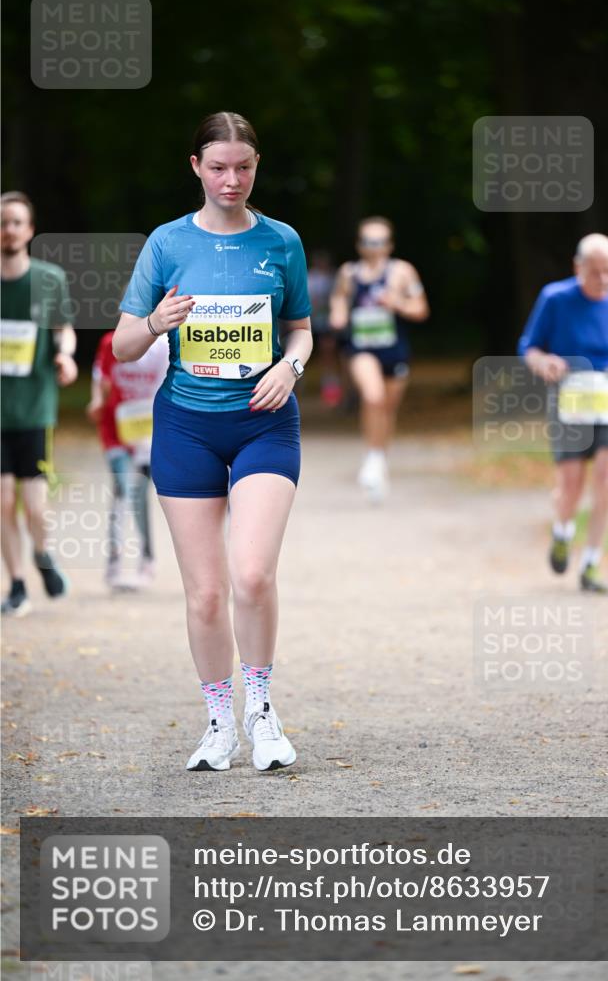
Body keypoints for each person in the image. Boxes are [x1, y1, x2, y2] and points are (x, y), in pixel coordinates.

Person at [112, 111, 312, 772]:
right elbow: (123, 344)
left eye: (244, 167)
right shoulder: (166, 243)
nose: (232, 179)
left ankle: (261, 712)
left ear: (257, 167)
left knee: (252, 574)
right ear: (195, 166)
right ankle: (218, 720)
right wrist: (155, 320)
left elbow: (301, 329)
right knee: (204, 593)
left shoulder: (281, 241)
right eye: (219, 166)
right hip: (187, 426)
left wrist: (291, 365)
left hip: (262, 422)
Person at [518, 233, 608, 593]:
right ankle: (562, 530)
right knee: (571, 481)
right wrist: (544, 361)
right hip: (571, 390)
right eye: (595, 272)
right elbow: (528, 347)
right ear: (577, 267)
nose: (604, 280)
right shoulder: (555, 298)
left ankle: (592, 562)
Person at [1, 191, 77, 617]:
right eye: (2, 223)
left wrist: (64, 354)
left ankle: (43, 554)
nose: (7, 230)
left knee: (33, 505)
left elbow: (64, 329)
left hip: (32, 408)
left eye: (15, 222)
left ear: (29, 230)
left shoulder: (48, 279)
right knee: (1, 500)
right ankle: (15, 585)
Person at [329, 216, 429, 502]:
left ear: (390, 245)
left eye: (380, 242)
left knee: (387, 408)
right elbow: (338, 299)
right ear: (359, 245)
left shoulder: (402, 272)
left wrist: (397, 303)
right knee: (373, 398)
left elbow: (421, 309)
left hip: (394, 349)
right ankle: (372, 459)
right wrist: (338, 315)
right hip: (361, 348)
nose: (374, 247)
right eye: (368, 241)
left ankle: (378, 459)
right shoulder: (349, 273)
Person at [87, 330, 169, 589]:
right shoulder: (112, 342)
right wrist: (97, 400)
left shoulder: (166, 347)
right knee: (124, 487)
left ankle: (147, 560)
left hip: (148, 429)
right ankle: (114, 561)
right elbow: (100, 378)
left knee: (139, 493)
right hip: (116, 429)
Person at [307, 249, 342, 407]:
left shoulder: (333, 277)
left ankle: (330, 386)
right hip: (309, 322)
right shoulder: (309, 278)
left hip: (327, 323)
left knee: (328, 352)